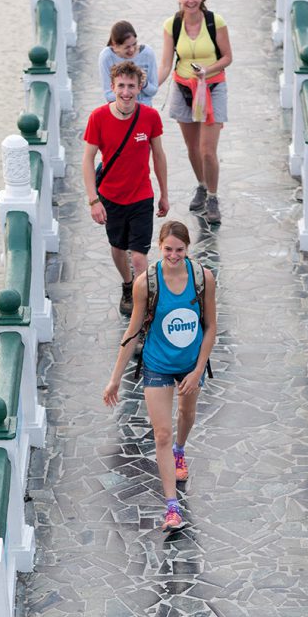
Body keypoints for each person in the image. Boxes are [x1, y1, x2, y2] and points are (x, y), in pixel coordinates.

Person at [103, 220, 216, 534]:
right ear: (160, 246)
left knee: (187, 415)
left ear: (188, 248)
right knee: (161, 434)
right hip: (157, 365)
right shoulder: (146, 282)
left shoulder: (202, 278)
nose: (174, 255)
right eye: (168, 249)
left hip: (191, 364)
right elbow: (133, 330)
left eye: (180, 250)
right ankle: (171, 506)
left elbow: (211, 328)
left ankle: (181, 450)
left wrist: (197, 370)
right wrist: (115, 378)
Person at [83, 61, 169, 316]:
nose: (126, 92)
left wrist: (164, 193)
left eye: (131, 86)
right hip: (110, 196)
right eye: (121, 86)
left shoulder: (150, 117)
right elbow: (87, 160)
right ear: (113, 87)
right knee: (118, 248)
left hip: (142, 195)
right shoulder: (98, 117)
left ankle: (143, 308)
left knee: (140, 257)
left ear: (140, 87)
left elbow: (159, 155)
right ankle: (127, 284)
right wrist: (93, 200)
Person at [157, 0, 233, 226]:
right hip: (184, 88)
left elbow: (228, 57)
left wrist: (207, 71)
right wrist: (149, 85)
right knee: (192, 147)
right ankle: (201, 184)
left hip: (212, 87)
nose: (190, 0)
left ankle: (212, 196)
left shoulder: (214, 22)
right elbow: (167, 63)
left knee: (207, 150)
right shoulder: (172, 24)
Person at [99, 20, 158, 106]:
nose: (132, 50)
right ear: (115, 46)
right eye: (127, 47)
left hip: (144, 108)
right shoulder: (106, 56)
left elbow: (153, 91)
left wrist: (143, 83)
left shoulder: (147, 53)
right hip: (120, 110)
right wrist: (127, 90)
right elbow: (108, 95)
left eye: (134, 44)